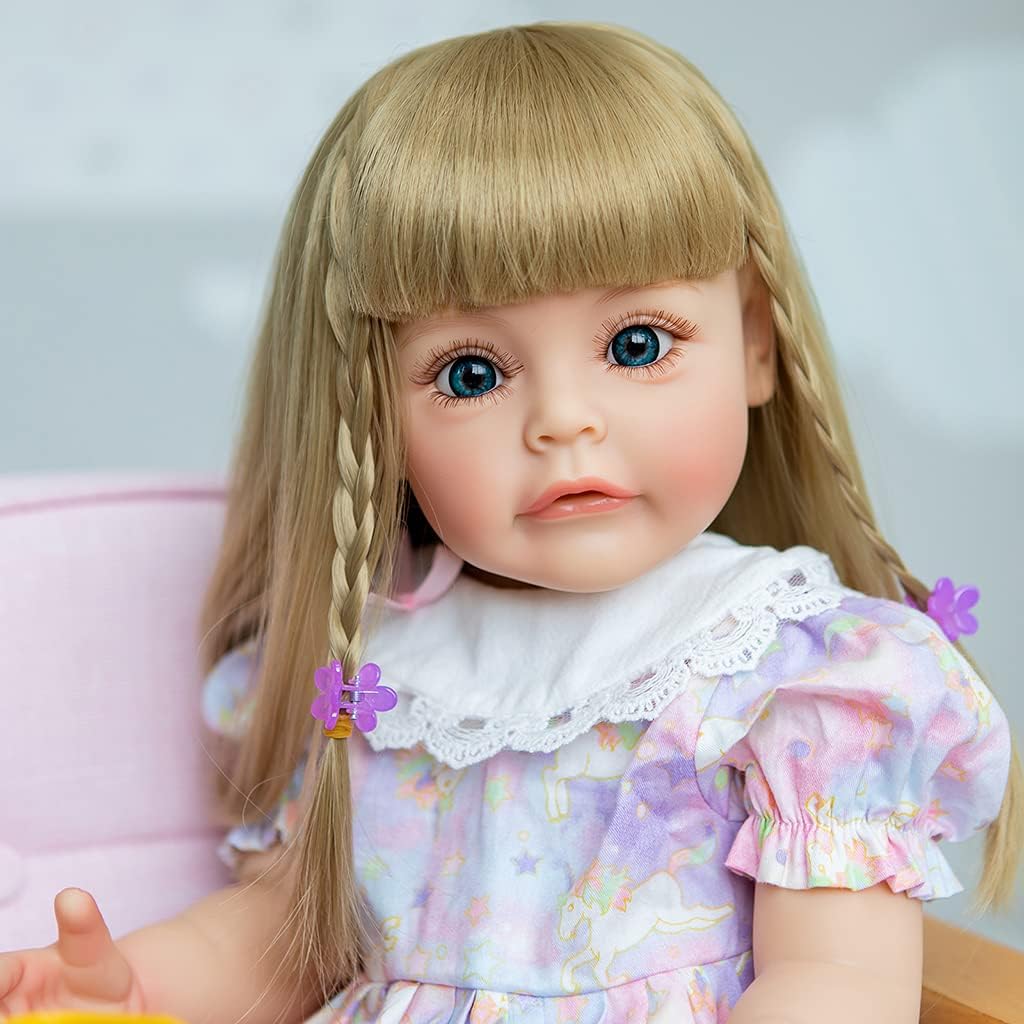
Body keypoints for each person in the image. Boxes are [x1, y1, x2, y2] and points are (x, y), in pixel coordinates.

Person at [0, 20, 1019, 1024]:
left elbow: (836, 985)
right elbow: (279, 941)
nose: (563, 421)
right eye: (471, 374)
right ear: (370, 414)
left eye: (635, 343)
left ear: (755, 342)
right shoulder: (379, 677)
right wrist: (135, 987)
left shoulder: (795, 681)